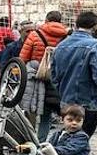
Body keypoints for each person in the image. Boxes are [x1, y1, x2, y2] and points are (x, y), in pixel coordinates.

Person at [51, 11, 97, 136]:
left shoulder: (61, 46)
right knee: (82, 139)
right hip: (88, 101)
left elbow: (54, 77)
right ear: (95, 26)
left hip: (66, 99)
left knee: (69, 136)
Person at [19, 11, 68, 140]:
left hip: (37, 78)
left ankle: (30, 140)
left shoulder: (35, 35)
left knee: (32, 111)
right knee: (49, 113)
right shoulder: (67, 37)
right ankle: (44, 140)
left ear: (46, 20)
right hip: (58, 78)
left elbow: (23, 58)